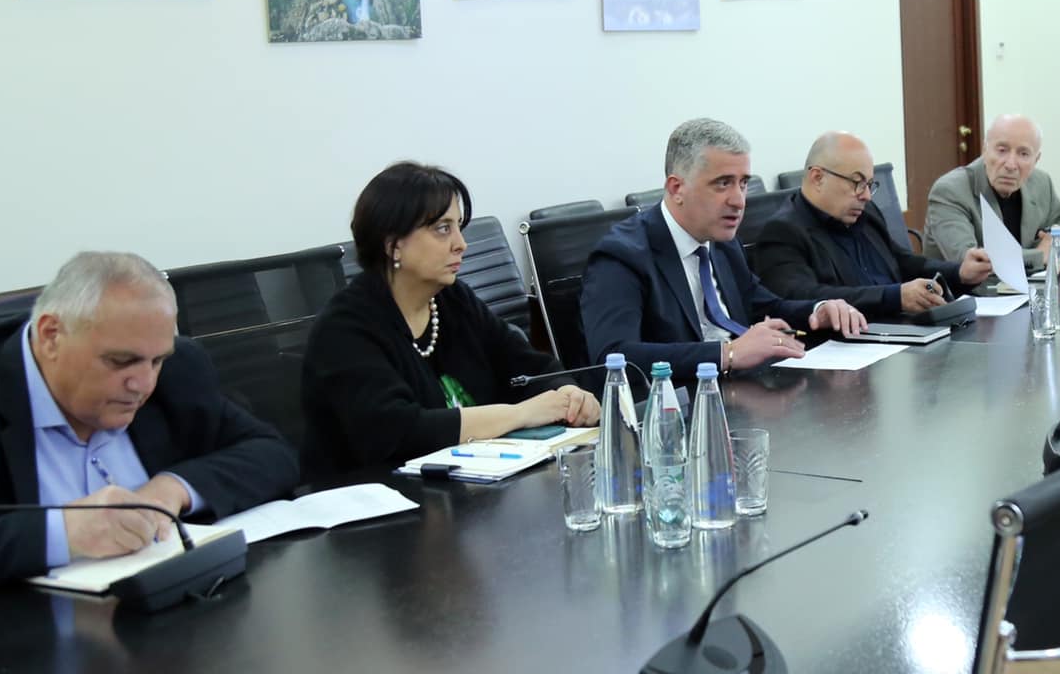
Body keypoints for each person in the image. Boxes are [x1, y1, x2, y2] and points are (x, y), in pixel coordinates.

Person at [0, 252, 299, 625]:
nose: (143, 383)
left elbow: (272, 453)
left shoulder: (176, 371)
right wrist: (65, 533)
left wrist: (170, 490)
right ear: (50, 336)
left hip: (155, 631)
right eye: (121, 362)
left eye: (157, 361)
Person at [300, 163, 599, 482]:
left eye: (458, 226)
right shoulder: (345, 329)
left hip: (470, 487)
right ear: (393, 244)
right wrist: (521, 414)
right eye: (443, 229)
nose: (461, 244)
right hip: (377, 497)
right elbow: (396, 432)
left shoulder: (452, 299)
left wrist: (569, 394)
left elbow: (529, 367)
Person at [581, 118, 866, 383]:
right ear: (677, 188)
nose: (739, 201)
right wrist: (726, 354)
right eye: (723, 183)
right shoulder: (622, 255)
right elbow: (613, 357)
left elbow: (764, 306)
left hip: (743, 391)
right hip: (679, 405)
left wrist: (818, 310)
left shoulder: (723, 242)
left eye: (743, 183)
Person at [752, 130, 993, 317]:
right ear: (817, 177)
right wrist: (894, 297)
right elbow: (806, 298)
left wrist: (959, 272)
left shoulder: (866, 213)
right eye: (857, 183)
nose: (866, 195)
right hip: (847, 349)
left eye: (869, 184)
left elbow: (901, 262)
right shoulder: (783, 231)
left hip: (903, 331)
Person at [923, 113, 1060, 273]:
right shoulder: (950, 191)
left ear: (1036, 159)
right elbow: (970, 262)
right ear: (985, 150)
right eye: (1002, 150)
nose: (1010, 164)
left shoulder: (1040, 183)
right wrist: (1041, 254)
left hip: (1027, 288)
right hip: (964, 290)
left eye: (1023, 154)